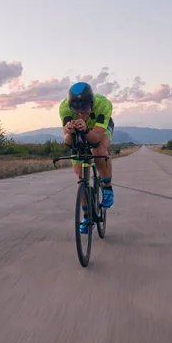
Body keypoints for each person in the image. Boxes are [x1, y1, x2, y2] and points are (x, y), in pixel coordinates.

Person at [59, 81, 114, 234]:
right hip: (79, 130)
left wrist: (86, 129)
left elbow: (96, 138)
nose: (81, 113)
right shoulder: (64, 108)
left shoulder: (103, 104)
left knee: (99, 151)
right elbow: (68, 142)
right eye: (76, 109)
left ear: (91, 103)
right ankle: (86, 216)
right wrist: (69, 132)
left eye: (84, 108)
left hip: (99, 128)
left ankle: (108, 188)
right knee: (80, 176)